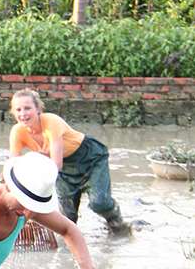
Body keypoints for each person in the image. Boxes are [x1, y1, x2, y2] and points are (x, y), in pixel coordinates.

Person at [8, 88, 129, 233]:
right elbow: (12, 166)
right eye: (18, 110)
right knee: (67, 217)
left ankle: (118, 223)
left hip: (89, 158)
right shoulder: (17, 131)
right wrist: (14, 196)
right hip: (63, 169)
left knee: (99, 202)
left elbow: (56, 164)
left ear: (38, 109)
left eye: (27, 108)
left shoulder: (51, 121)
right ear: (13, 113)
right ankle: (69, 250)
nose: (23, 114)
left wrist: (37, 193)